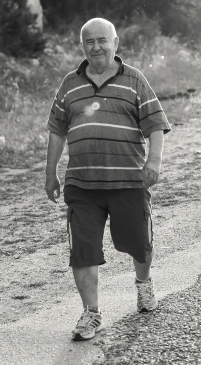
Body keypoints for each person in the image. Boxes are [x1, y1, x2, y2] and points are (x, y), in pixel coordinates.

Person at [45, 17, 171, 341]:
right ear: (82, 47)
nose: (96, 47)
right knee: (82, 250)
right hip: (82, 185)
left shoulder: (134, 80)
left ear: (116, 44)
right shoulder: (69, 84)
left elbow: (155, 125)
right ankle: (92, 313)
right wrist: (50, 172)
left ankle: (143, 285)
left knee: (139, 243)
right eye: (90, 42)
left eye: (103, 40)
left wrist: (153, 162)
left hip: (128, 181)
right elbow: (57, 131)